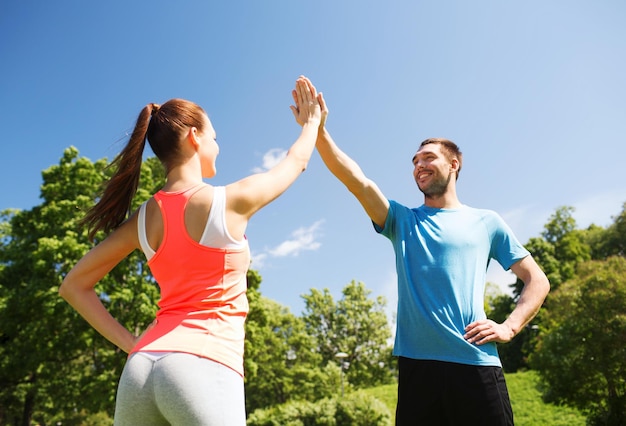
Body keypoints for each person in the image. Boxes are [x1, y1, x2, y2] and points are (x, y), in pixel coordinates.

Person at [59, 76, 322, 425]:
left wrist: (134, 344)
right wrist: (313, 123)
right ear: (194, 136)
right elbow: (294, 162)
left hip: (139, 371)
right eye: (215, 137)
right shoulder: (228, 201)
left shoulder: (143, 219)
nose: (218, 146)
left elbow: (73, 286)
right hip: (202, 365)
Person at [310, 94, 550, 425]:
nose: (418, 165)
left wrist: (509, 326)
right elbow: (357, 181)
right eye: (414, 161)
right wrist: (320, 130)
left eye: (428, 157)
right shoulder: (401, 220)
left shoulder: (487, 222)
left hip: (476, 363)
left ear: (454, 164)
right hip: (418, 369)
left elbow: (537, 280)